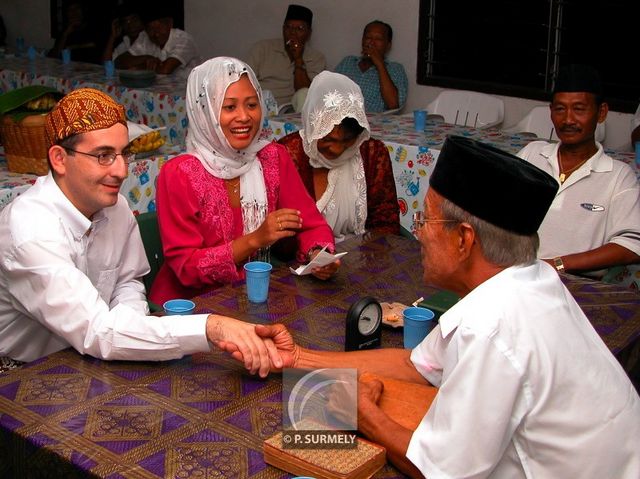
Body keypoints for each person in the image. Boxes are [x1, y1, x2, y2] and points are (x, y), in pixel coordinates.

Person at [251, 135, 640, 478]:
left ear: (463, 240)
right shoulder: (531, 279)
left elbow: (438, 469)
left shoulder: (493, 326)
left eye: (425, 220)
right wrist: (297, 356)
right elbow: (416, 366)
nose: (417, 232)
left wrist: (364, 415)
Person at [0, 88, 282, 378]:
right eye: (104, 156)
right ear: (59, 159)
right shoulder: (30, 230)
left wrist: (130, 334)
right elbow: (96, 331)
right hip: (20, 374)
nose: (121, 171)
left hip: (91, 358)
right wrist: (211, 326)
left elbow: (128, 282)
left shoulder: (115, 207)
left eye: (124, 153)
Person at [148, 57, 339, 305]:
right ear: (205, 112)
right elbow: (186, 267)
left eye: (251, 104)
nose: (244, 117)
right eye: (229, 107)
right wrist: (254, 240)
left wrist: (318, 254)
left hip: (255, 297)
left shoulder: (272, 158)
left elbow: (310, 224)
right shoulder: (179, 174)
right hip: (190, 308)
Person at [517, 64, 640, 276]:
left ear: (601, 113)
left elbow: (631, 246)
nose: (568, 120)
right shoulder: (532, 154)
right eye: (560, 109)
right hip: (516, 274)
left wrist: (557, 264)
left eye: (579, 109)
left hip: (574, 283)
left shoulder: (618, 176)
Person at [278, 71, 399, 242]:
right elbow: (282, 236)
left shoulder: (372, 153)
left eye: (348, 140)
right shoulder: (286, 154)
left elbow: (387, 225)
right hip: (304, 260)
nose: (337, 150)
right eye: (328, 139)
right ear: (314, 126)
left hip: (364, 256)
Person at [246, 4, 326, 108]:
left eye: (299, 29)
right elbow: (245, 82)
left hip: (291, 110)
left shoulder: (316, 58)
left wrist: (298, 59)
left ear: (309, 33)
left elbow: (307, 93)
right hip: (261, 106)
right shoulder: (262, 49)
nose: (293, 33)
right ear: (283, 29)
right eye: (288, 27)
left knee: (304, 94)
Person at [334, 20, 408, 113]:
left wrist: (380, 64)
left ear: (388, 45)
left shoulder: (395, 69)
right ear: (362, 41)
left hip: (375, 125)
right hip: (344, 122)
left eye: (378, 39)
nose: (371, 43)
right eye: (368, 37)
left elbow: (393, 105)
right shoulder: (347, 62)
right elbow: (327, 95)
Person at [115, 8, 200, 75]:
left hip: (188, 92)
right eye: (151, 29)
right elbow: (119, 62)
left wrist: (138, 66)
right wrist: (147, 58)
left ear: (170, 24)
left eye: (159, 28)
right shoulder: (145, 37)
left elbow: (165, 70)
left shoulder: (184, 39)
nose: (156, 34)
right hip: (159, 93)